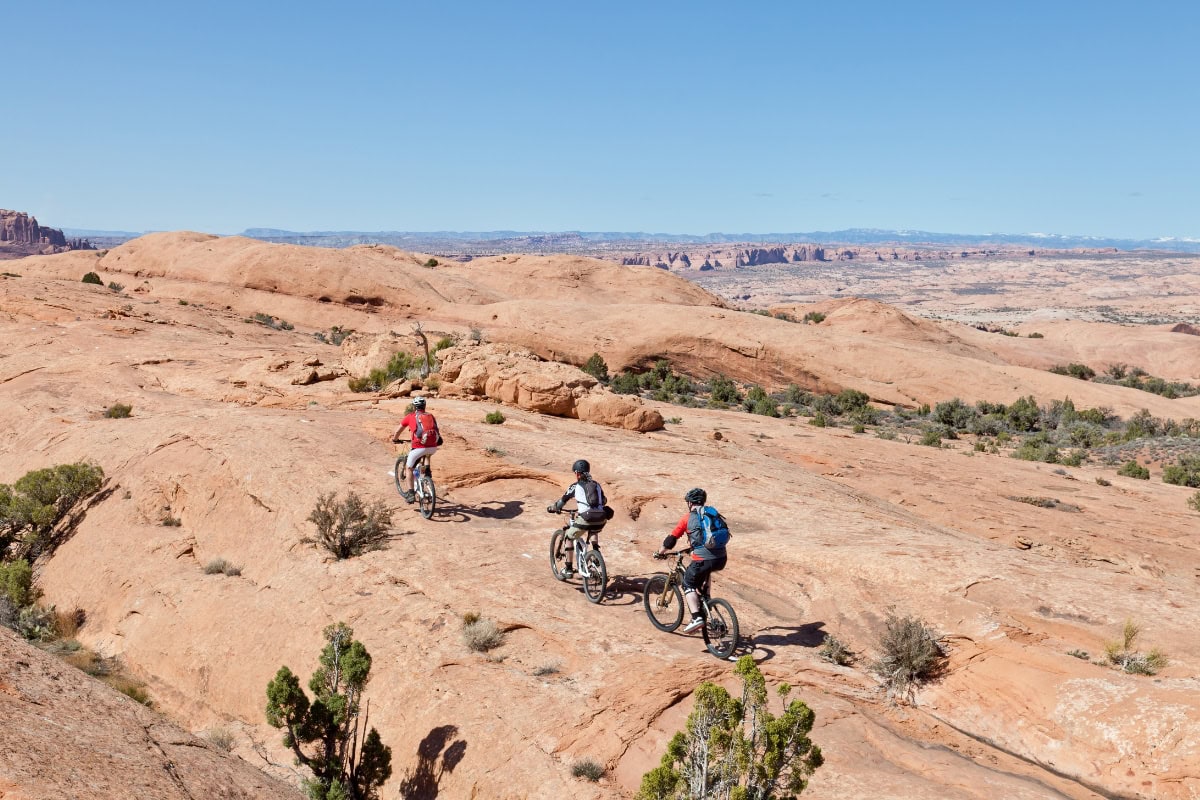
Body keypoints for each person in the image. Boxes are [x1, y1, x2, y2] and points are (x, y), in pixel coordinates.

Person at [656, 487, 728, 633]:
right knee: (705, 572)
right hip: (721, 558)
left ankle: (696, 617)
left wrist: (660, 552)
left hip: (703, 558)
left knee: (688, 582)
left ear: (690, 503)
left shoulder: (687, 518)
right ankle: (707, 598)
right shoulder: (713, 513)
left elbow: (671, 540)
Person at [547, 459, 609, 578]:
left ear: (577, 473)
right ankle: (596, 552)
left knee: (568, 536)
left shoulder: (575, 486)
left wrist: (552, 508)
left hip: (586, 517)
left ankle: (568, 568)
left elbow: (561, 502)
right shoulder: (597, 485)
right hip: (602, 518)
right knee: (593, 528)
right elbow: (604, 500)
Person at [391, 396, 441, 504]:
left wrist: (395, 439)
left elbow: (398, 431)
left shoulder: (410, 416)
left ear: (414, 407)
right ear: (424, 406)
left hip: (418, 448)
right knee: (427, 454)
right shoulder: (430, 416)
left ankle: (410, 494)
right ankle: (427, 472)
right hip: (433, 447)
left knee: (409, 468)